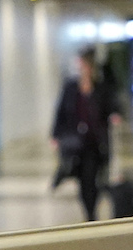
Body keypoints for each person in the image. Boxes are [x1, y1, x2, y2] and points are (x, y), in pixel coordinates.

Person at [50, 52, 121, 222]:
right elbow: (60, 112)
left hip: (96, 143)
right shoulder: (71, 87)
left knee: (94, 178)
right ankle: (89, 210)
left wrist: (114, 115)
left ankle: (91, 210)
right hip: (76, 144)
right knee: (83, 181)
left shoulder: (101, 87)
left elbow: (112, 106)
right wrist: (55, 135)